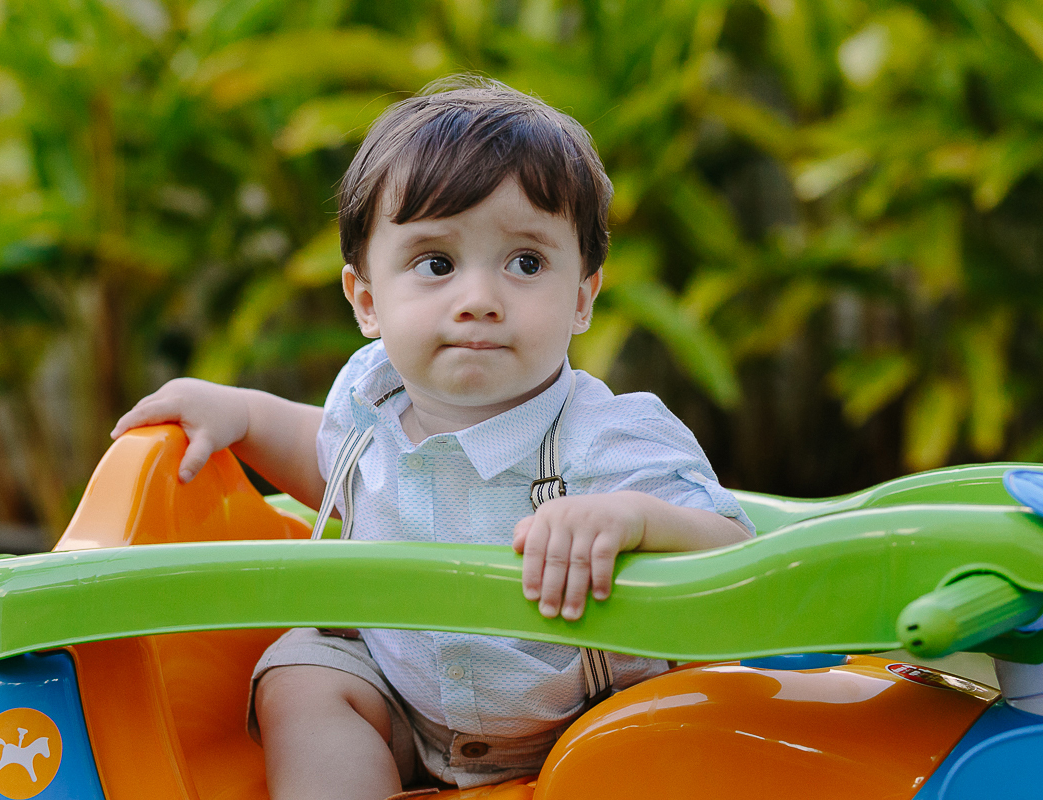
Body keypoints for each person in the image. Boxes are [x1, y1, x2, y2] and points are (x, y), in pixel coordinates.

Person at [111, 76, 754, 800]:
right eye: (437, 265)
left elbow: (734, 544)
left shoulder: (608, 433)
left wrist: (632, 519)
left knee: (669, 728)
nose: (478, 301)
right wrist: (244, 415)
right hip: (404, 705)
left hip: (582, 725)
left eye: (526, 263)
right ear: (367, 300)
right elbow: (331, 464)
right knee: (301, 674)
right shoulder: (368, 399)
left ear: (581, 299)